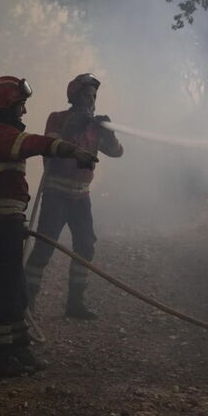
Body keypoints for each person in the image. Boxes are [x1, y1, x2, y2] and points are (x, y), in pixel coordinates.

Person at [0, 75, 98, 377]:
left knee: (14, 287)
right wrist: (72, 149)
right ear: (8, 107)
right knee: (3, 288)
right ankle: (0, 357)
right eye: (21, 106)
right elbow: (35, 143)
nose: (24, 113)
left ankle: (19, 350)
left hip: (5, 220)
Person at [25, 73, 124, 320]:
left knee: (85, 248)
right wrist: (73, 127)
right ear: (74, 96)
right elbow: (51, 149)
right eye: (86, 96)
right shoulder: (57, 119)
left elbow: (117, 153)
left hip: (81, 198)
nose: (90, 101)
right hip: (56, 195)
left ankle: (75, 303)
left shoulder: (94, 127)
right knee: (43, 249)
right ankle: (26, 303)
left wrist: (109, 134)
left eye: (93, 97)